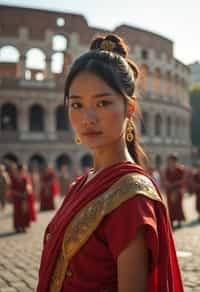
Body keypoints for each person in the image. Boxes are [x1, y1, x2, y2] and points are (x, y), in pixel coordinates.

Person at [37, 34, 183, 292]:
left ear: (129, 108)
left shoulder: (131, 198)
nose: (88, 118)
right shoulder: (82, 183)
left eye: (103, 103)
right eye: (77, 104)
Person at [163, 154, 185, 228]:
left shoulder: (180, 169)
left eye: (173, 161)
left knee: (178, 206)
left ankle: (179, 221)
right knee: (170, 206)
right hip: (170, 191)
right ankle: (171, 221)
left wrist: (174, 184)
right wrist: (167, 184)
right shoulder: (167, 170)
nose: (171, 162)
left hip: (177, 190)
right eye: (170, 161)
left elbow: (183, 180)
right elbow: (164, 179)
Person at [9, 162, 33, 232]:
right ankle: (18, 227)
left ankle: (24, 226)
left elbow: (29, 187)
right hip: (17, 198)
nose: (24, 171)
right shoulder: (14, 178)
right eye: (23, 170)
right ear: (20, 170)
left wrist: (28, 191)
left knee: (24, 213)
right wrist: (19, 194)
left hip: (24, 199)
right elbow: (11, 189)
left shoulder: (25, 178)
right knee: (17, 213)